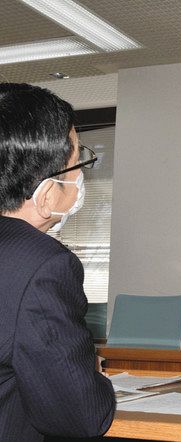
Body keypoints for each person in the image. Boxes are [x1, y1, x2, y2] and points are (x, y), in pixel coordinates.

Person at [0, 83, 116, 441]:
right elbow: (80, 416)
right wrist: (92, 374)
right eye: (80, 162)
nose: (82, 176)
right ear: (47, 194)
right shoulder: (42, 265)